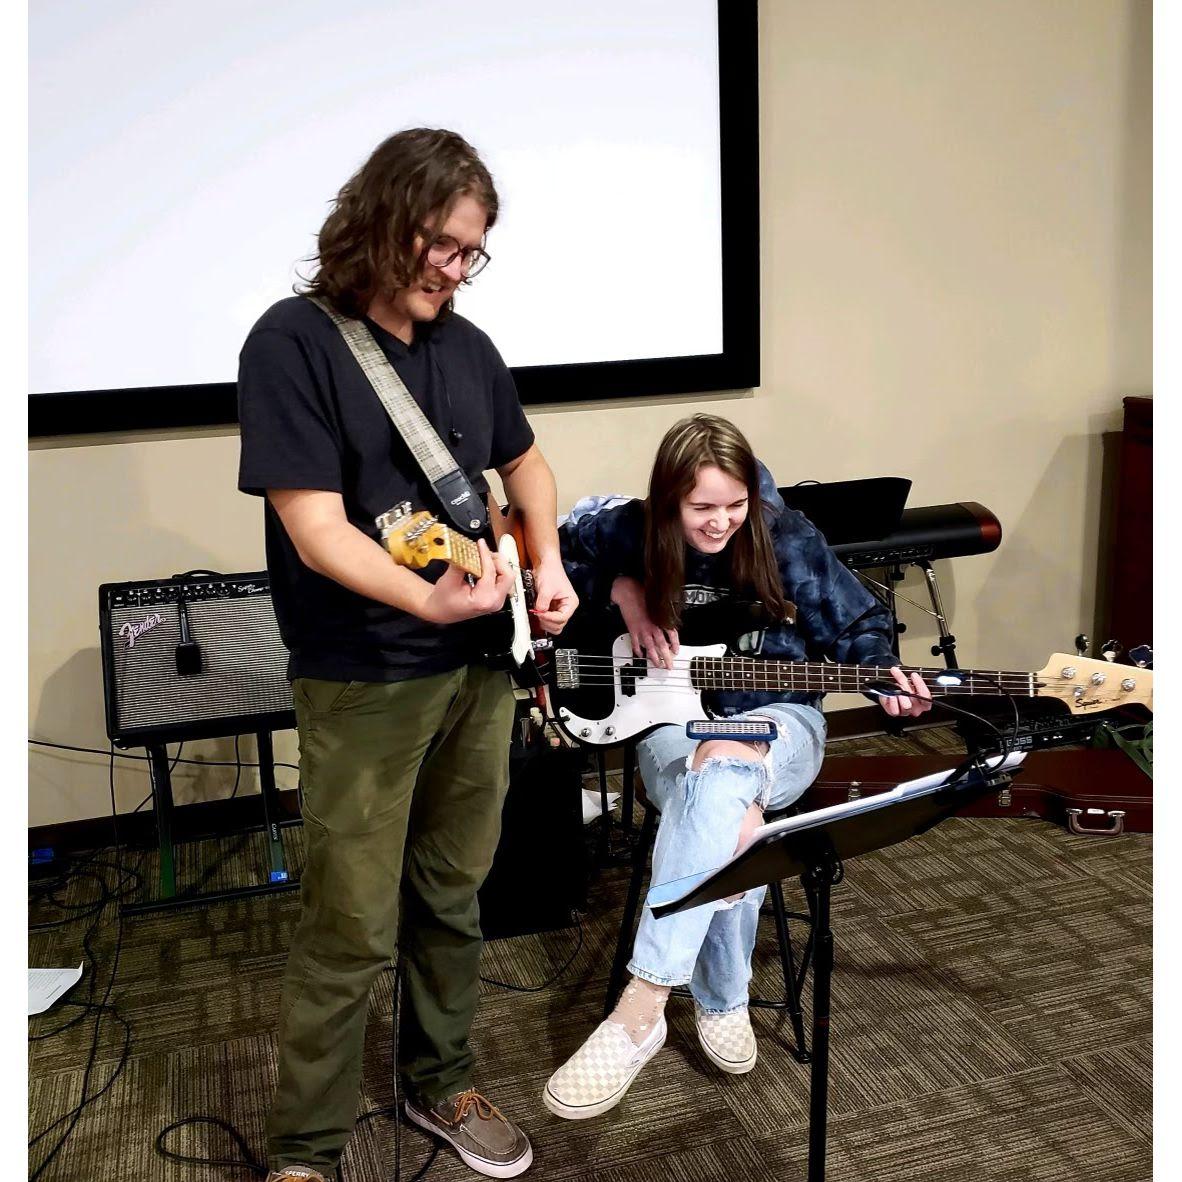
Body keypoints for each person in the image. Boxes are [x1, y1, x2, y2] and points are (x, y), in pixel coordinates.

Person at [237, 128, 577, 1181]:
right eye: (440, 244)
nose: (454, 268)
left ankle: (441, 1083)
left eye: (472, 252)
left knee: (452, 893)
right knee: (347, 923)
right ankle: (304, 1148)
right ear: (379, 218)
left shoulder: (469, 349)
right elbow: (318, 528)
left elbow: (526, 464)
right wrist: (425, 603)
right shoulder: (293, 342)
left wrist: (548, 561)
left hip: (478, 672)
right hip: (364, 678)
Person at [542, 413, 929, 1119]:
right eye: (701, 509)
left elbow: (858, 629)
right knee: (730, 804)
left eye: (735, 505)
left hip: (785, 724)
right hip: (669, 726)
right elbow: (560, 545)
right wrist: (622, 591)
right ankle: (723, 997)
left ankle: (642, 1008)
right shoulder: (631, 529)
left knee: (724, 772)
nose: (721, 523)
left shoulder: (789, 539)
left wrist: (884, 678)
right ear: (666, 503)